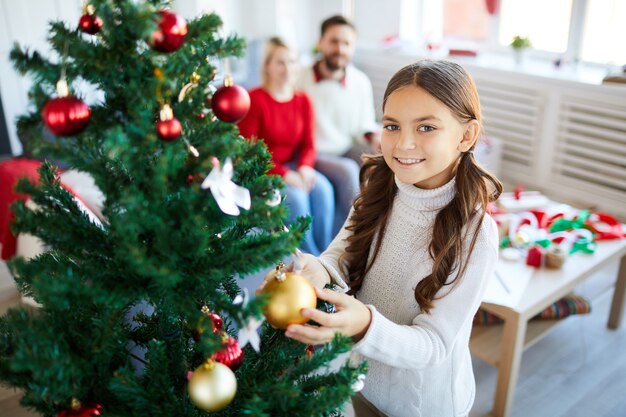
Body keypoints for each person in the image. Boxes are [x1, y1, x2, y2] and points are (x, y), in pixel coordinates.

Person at [283, 60, 503, 417]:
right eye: (392, 125)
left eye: (427, 127)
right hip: (354, 382)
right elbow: (342, 253)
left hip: (417, 406)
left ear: (466, 136)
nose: (403, 143)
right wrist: (318, 268)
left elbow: (433, 344)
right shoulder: (379, 188)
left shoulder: (476, 236)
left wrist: (365, 324)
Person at [238, 37, 334, 256]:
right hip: (264, 170)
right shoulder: (254, 99)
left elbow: (309, 145)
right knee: (297, 198)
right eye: (280, 62)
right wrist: (284, 174)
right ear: (267, 66)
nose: (288, 68)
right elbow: (249, 154)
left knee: (324, 188)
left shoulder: (303, 100)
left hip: (293, 166)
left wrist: (305, 167)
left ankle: (328, 255)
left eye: (292, 61)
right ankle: (309, 258)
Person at [297, 15, 379, 235]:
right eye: (334, 41)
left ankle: (376, 232)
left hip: (345, 146)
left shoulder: (360, 81)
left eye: (347, 44)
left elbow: (364, 125)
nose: (340, 49)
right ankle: (350, 239)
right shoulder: (299, 77)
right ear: (321, 42)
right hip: (314, 152)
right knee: (347, 171)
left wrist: (375, 138)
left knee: (378, 162)